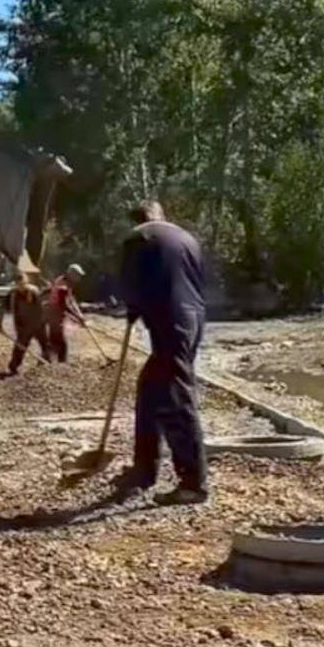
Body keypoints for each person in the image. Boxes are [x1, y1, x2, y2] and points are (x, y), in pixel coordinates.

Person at [118, 200, 208, 506]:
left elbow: (131, 281)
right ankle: (145, 471)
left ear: (137, 219)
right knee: (150, 390)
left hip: (170, 319)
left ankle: (193, 483)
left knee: (176, 397)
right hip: (193, 319)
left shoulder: (139, 237)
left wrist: (132, 309)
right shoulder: (186, 237)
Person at [0, 273, 49, 374]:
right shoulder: (12, 295)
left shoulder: (33, 292)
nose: (21, 286)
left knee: (45, 344)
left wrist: (42, 322)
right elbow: (3, 308)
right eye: (18, 284)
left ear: (26, 282)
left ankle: (46, 363)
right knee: (20, 346)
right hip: (23, 325)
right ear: (15, 284)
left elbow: (40, 308)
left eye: (23, 284)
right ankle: (13, 366)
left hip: (37, 323)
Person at [43, 264, 87, 362]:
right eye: (78, 275)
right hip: (55, 314)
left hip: (56, 313)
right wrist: (77, 317)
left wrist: (79, 314)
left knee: (54, 340)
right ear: (71, 274)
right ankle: (61, 364)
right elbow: (64, 305)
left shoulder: (66, 281)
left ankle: (46, 360)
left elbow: (71, 300)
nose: (79, 278)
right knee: (61, 343)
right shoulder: (63, 286)